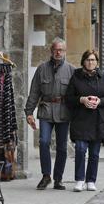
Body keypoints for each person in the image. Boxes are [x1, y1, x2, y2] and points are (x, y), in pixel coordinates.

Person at [25, 38, 75, 191]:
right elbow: (34, 92)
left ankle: (58, 179)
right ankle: (46, 175)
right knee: (44, 142)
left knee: (61, 147)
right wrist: (29, 112)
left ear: (65, 51)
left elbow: (76, 94)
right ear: (51, 51)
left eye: (61, 50)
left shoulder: (72, 70)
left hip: (63, 112)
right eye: (56, 49)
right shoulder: (42, 69)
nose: (58, 52)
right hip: (46, 109)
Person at [65, 50, 104, 192]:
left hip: (98, 120)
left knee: (94, 153)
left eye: (93, 60)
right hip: (81, 119)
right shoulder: (76, 77)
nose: (90, 62)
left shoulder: (103, 77)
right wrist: (81, 100)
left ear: (97, 62)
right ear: (83, 62)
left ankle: (91, 180)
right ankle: (80, 180)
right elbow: (68, 98)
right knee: (80, 149)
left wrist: (99, 101)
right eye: (87, 60)